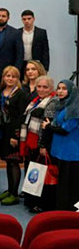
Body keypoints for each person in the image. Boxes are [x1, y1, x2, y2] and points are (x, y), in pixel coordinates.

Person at [21, 75, 58, 213]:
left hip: (42, 143)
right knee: (32, 171)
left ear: (51, 88)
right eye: (39, 86)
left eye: (45, 87)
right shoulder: (36, 100)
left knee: (41, 174)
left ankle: (40, 204)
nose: (41, 89)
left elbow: (46, 127)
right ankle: (31, 200)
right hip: (31, 142)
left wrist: (43, 145)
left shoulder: (52, 102)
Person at [0, 66, 28, 206]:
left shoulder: (20, 94)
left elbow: (21, 116)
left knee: (14, 162)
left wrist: (15, 135)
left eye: (13, 76)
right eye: (7, 76)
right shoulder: (1, 90)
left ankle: (14, 194)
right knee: (7, 161)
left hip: (14, 132)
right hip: (4, 131)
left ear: (17, 78)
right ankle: (9, 189)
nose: (10, 78)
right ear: (3, 77)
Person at [44, 80, 79, 211]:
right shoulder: (61, 105)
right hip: (59, 150)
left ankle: (70, 213)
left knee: (70, 185)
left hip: (71, 152)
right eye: (59, 88)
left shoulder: (74, 108)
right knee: (62, 183)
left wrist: (48, 127)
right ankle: (61, 210)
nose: (60, 91)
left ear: (71, 91)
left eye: (64, 88)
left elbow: (65, 130)